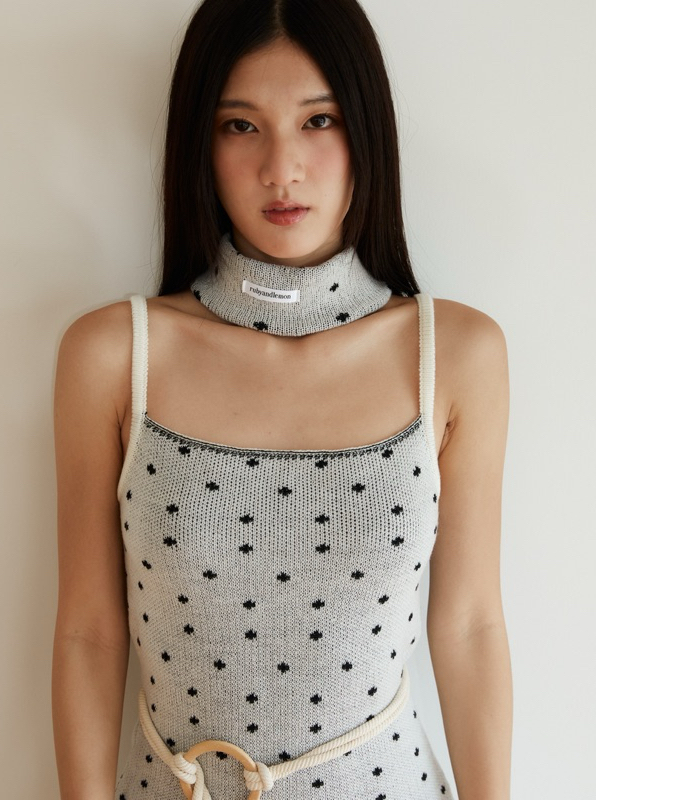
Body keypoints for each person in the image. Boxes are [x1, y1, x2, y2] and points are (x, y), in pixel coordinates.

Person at [52, 0, 513, 798]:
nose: (281, 168)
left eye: (318, 120)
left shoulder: (455, 354)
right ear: (200, 142)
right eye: (241, 126)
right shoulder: (115, 355)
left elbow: (470, 625)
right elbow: (89, 633)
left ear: (366, 130)